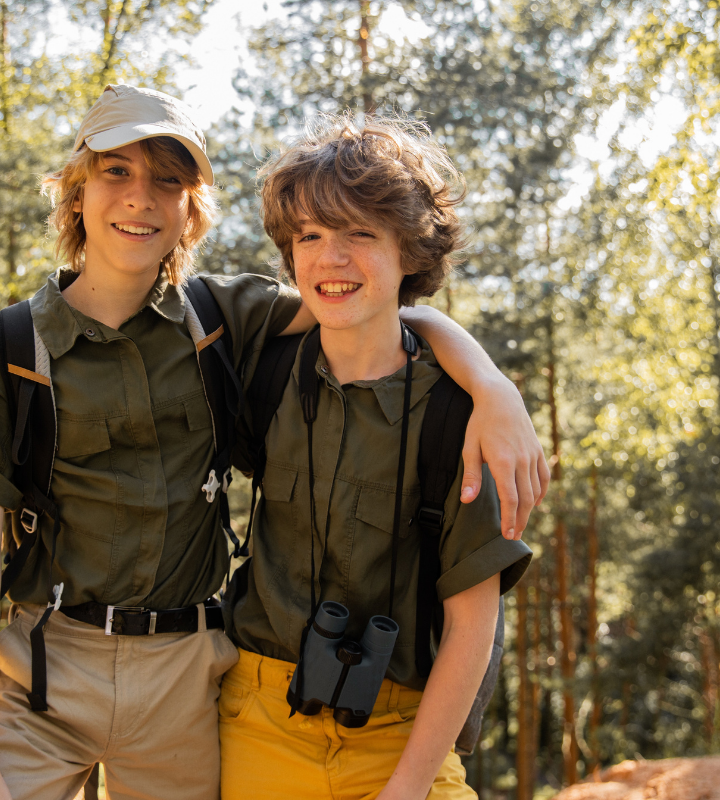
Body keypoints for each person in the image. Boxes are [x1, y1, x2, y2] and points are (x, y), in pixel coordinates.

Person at [0, 86, 543, 800]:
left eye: (169, 179)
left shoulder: (221, 320)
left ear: (193, 208)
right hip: (50, 668)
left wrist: (492, 386)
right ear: (74, 192)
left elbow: (365, 306)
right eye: (115, 172)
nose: (141, 198)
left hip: (188, 680)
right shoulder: (8, 347)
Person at [218, 114, 533, 800]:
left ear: (411, 252)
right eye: (310, 236)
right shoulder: (263, 371)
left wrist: (405, 789)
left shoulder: (459, 416)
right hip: (254, 718)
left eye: (359, 234)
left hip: (403, 733)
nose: (331, 259)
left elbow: (472, 626)